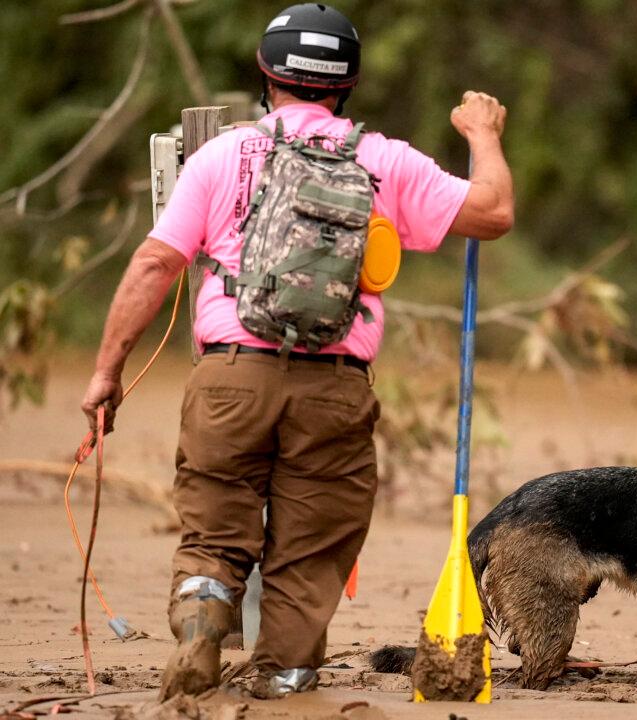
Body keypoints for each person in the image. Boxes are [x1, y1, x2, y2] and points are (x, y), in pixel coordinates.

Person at [79, 2, 512, 700]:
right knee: (311, 548)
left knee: (215, 522)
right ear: (349, 83)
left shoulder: (224, 154)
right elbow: (493, 213)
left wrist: (107, 372)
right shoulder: (383, 160)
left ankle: (200, 626)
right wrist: (483, 134)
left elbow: (154, 265)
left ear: (265, 72)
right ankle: (282, 673)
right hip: (335, 388)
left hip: (228, 378)